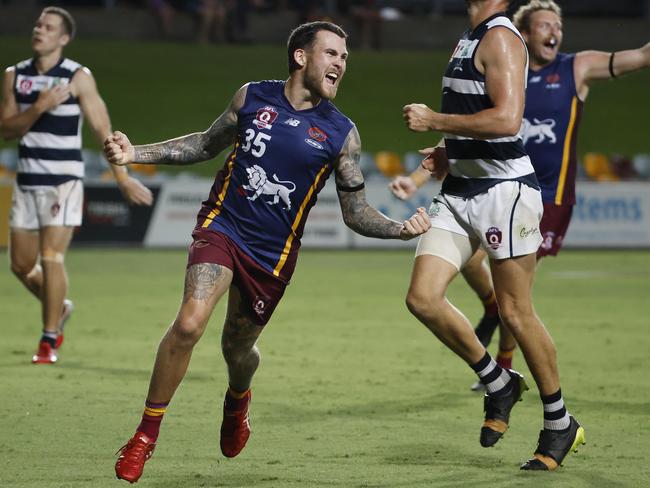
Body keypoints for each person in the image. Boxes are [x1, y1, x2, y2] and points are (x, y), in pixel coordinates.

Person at [105, 21, 430, 483]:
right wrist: (134, 151)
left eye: (345, 57)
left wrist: (400, 230)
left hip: (271, 258)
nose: (340, 63)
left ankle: (239, 400)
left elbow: (354, 212)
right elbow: (203, 143)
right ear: (301, 56)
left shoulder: (341, 134)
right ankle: (144, 437)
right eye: (332, 53)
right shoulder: (252, 97)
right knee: (189, 323)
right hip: (223, 227)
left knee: (237, 351)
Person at [391, 0, 650, 391]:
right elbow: (466, 123)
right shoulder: (482, 48)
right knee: (471, 287)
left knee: (516, 305)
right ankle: (501, 370)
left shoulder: (570, 67)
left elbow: (639, 57)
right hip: (477, 185)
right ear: (527, 32)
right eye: (544, 25)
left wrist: (433, 122)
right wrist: (420, 174)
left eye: (557, 25)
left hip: (540, 194)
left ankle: (519, 377)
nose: (553, 32)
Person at [401, 0, 586, 471]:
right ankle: (499, 381)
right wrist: (447, 149)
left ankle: (560, 421)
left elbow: (506, 119)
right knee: (422, 298)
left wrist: (436, 120)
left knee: (516, 312)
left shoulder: (501, 37)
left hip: (503, 192)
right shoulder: (471, 33)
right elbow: (474, 109)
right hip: (460, 187)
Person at [0, 6, 153, 365]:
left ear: (64, 38)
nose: (39, 30)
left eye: (49, 27)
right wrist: (39, 107)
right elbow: (7, 130)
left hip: (64, 182)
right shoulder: (13, 76)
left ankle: (48, 340)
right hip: (27, 182)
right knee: (21, 266)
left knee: (51, 257)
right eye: (38, 24)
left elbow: (103, 130)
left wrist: (122, 177)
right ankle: (61, 307)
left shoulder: (78, 77)